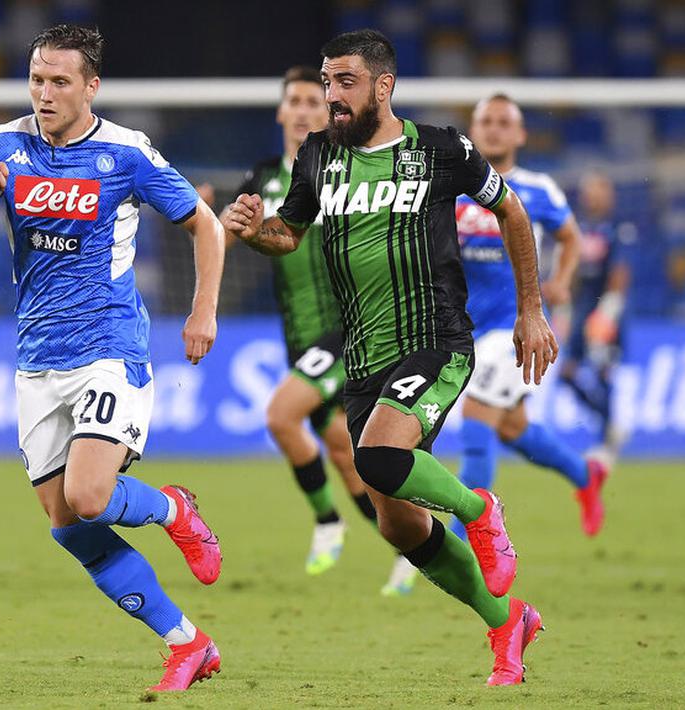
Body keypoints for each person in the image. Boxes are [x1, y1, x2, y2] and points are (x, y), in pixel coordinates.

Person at [223, 30, 556, 686]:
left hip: (434, 340)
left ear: (383, 86)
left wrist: (530, 309)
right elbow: (287, 234)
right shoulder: (317, 156)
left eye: (344, 81)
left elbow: (511, 212)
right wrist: (252, 231)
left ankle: (477, 509)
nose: (330, 95)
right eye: (325, 81)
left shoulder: (439, 149)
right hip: (363, 355)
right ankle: (505, 623)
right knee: (396, 525)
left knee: (376, 457)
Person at [0, 25, 225, 693]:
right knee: (68, 528)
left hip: (107, 349)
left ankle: (173, 510)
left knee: (89, 497)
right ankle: (187, 643)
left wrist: (202, 310)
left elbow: (202, 224)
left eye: (60, 81)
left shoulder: (124, 153)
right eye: (37, 79)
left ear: (91, 86)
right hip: (36, 361)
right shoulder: (1, 146)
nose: (44, 93)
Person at [225, 65, 418, 594]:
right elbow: (226, 229)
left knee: (281, 416)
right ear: (283, 111)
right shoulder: (263, 178)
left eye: (317, 101)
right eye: (298, 101)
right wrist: (205, 224)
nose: (306, 110)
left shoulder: (342, 170)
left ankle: (328, 522)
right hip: (298, 335)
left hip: (343, 331)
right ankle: (413, 545)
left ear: (327, 112)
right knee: (345, 455)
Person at [453, 94, 609, 539]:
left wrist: (560, 280)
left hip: (515, 329)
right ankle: (584, 474)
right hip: (464, 328)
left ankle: (462, 544)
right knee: (512, 428)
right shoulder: (454, 188)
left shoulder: (537, 189)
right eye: (486, 121)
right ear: (474, 130)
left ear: (520, 134)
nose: (495, 129)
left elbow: (571, 238)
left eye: (505, 122)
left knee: (478, 421)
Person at [562, 172, 635, 467]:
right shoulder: (578, 227)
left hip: (605, 309)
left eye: (597, 191)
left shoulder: (620, 228)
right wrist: (565, 310)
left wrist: (609, 311)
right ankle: (611, 426)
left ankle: (606, 442)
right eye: (588, 191)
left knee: (604, 373)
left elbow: (621, 271)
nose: (591, 197)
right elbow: (575, 272)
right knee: (568, 373)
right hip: (581, 308)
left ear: (609, 196)